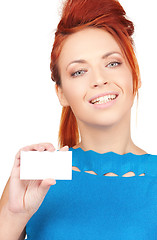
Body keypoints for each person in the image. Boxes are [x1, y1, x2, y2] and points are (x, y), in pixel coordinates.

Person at [1, 0, 157, 239]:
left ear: (134, 76)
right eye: (79, 71)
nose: (99, 79)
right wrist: (12, 216)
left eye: (113, 63)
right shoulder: (37, 176)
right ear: (61, 93)